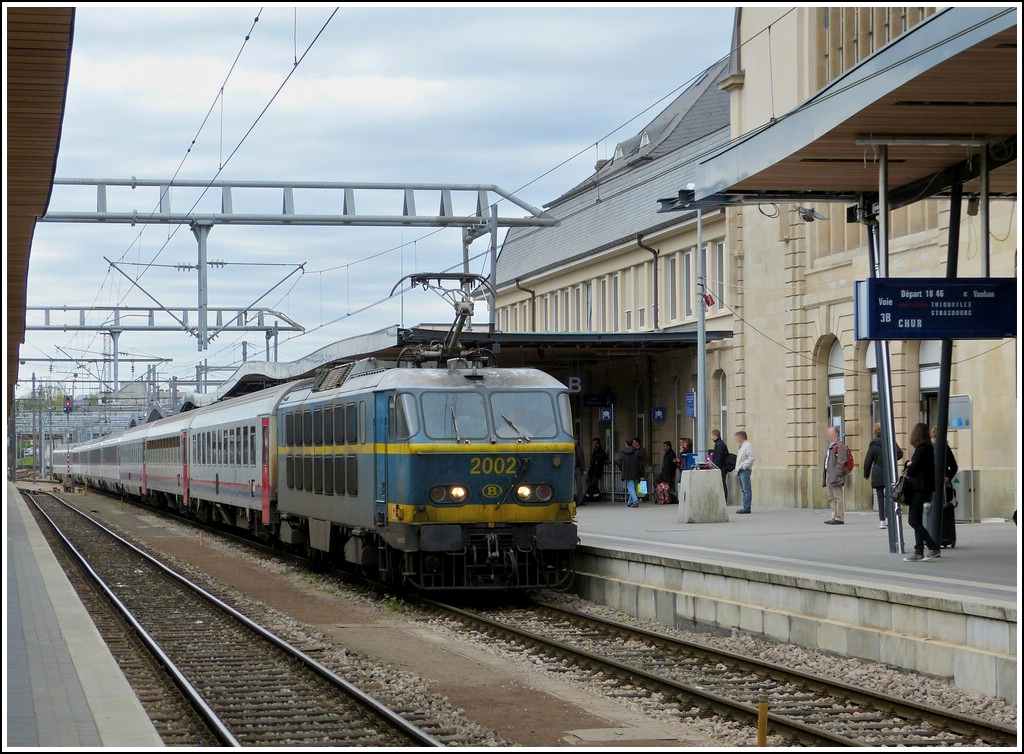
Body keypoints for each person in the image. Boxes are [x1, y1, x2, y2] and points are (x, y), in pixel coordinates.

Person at [903, 423, 940, 561]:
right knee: (917, 520)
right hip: (922, 488)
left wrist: (908, 464)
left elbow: (911, 469)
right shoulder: (927, 449)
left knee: (913, 520)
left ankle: (932, 546)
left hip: (918, 488)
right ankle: (919, 551)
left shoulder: (922, 449)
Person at [862, 423, 903, 529]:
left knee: (880, 497)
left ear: (875, 431)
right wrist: (891, 460)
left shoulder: (873, 444)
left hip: (878, 471)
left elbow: (868, 461)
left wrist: (866, 474)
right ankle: (890, 518)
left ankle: (882, 521)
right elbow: (900, 453)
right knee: (890, 496)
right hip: (889, 471)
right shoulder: (890, 441)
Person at [822, 425, 849, 525]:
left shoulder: (839, 445)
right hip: (828, 474)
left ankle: (840, 517)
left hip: (835, 475)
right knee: (831, 496)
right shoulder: (829, 446)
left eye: (830, 433)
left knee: (838, 496)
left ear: (836, 434)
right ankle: (834, 515)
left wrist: (837, 473)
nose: (828, 435)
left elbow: (842, 461)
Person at [930, 426, 959, 503]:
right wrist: (948, 477)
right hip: (939, 483)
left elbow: (954, 466)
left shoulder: (928, 447)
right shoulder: (945, 448)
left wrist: (948, 477)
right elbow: (954, 466)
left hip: (934, 483)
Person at [734, 431, 755, 514]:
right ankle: (745, 506)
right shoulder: (742, 446)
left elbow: (751, 457)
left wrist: (744, 466)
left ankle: (747, 507)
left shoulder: (747, 445)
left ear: (741, 437)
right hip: (740, 469)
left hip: (744, 470)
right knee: (744, 490)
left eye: (737, 438)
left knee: (746, 489)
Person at [617, 439, 641, 508]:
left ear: (626, 444)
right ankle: (630, 502)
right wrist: (641, 473)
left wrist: (622, 468)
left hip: (627, 471)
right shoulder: (636, 452)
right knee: (635, 488)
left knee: (630, 487)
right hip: (636, 471)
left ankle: (635, 501)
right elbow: (640, 463)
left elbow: (619, 462)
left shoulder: (622, 453)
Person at [710, 429, 729, 502]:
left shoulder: (719, 444)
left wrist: (716, 466)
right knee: (721, 483)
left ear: (715, 436)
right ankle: (723, 498)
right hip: (721, 467)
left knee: (721, 483)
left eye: (711, 435)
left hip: (721, 467)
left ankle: (723, 498)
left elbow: (719, 457)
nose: (711, 437)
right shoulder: (719, 443)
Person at [586, 437, 608, 502]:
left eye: (596, 443)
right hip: (592, 470)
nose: (594, 445)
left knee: (594, 484)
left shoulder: (600, 451)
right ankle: (591, 496)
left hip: (596, 470)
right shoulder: (595, 451)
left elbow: (605, 457)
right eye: (594, 443)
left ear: (598, 443)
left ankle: (594, 497)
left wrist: (598, 461)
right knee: (590, 483)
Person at [574, 438, 586, 505]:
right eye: (573, 440)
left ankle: (580, 500)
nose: (575, 442)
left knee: (579, 485)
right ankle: (570, 500)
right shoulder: (569, 448)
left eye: (576, 440)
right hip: (571, 468)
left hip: (578, 468)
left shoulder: (579, 449)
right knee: (571, 485)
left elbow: (582, 459)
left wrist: (583, 469)